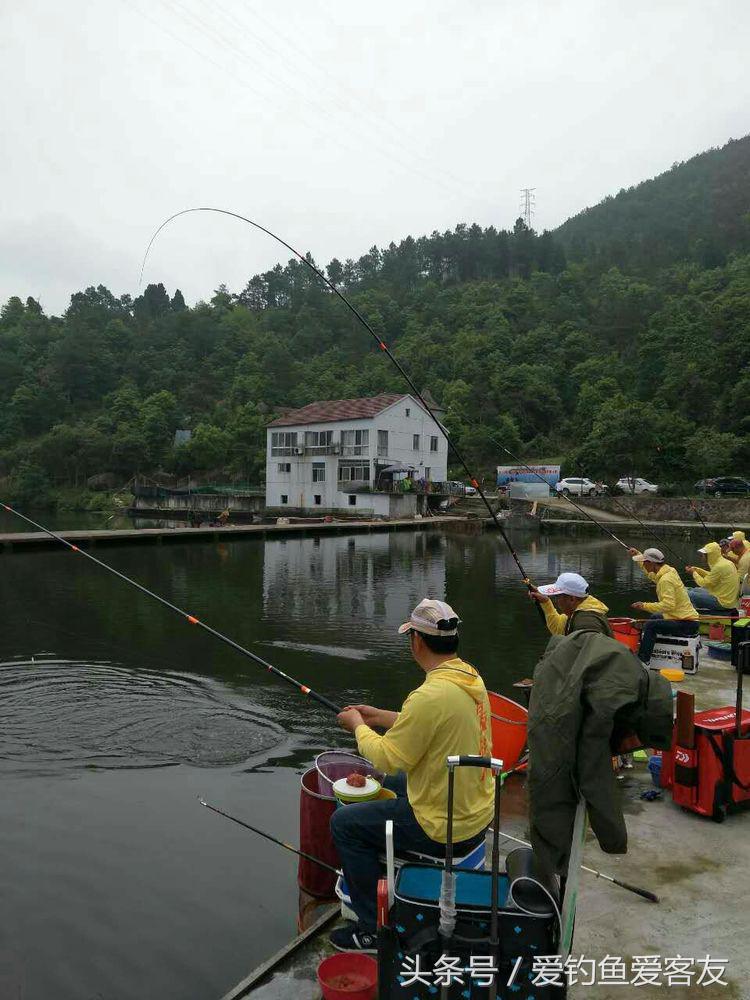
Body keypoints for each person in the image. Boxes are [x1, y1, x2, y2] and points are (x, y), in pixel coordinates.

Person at [331, 598, 494, 952]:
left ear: (417, 641)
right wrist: (378, 716)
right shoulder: (469, 677)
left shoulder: (429, 695)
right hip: (475, 809)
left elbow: (387, 758)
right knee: (385, 784)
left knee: (344, 824)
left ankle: (371, 928)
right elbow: (426, 724)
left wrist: (358, 726)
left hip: (444, 827)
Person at [628, 547, 699, 663]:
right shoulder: (669, 571)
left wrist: (644, 606)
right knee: (654, 617)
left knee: (651, 625)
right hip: (682, 618)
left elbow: (668, 605)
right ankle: (648, 648)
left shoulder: (665, 580)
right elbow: (651, 575)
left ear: (651, 563)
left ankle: (643, 660)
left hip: (686, 623)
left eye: (644, 562)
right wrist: (637, 555)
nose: (643, 565)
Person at [529, 572, 613, 637]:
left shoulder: (585, 624)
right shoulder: (579, 610)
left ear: (572, 599)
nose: (557, 600)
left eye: (557, 596)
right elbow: (559, 629)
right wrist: (545, 602)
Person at [685, 542, 739, 613]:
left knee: (687, 594)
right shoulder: (726, 563)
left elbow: (704, 583)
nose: (702, 557)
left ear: (711, 555)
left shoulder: (719, 566)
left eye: (704, 554)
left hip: (723, 603)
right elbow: (712, 576)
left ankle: (690, 614)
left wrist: (693, 573)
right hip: (728, 600)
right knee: (692, 589)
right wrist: (698, 570)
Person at [726, 531, 750, 596]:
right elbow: (739, 561)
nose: (733, 552)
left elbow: (740, 579)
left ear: (737, 548)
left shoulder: (744, 560)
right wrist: (728, 558)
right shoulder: (747, 552)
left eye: (732, 550)